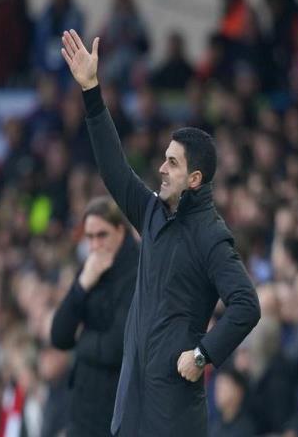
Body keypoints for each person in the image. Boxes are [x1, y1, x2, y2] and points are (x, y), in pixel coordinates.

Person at [60, 29, 261, 436]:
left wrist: (203, 355)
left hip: (173, 414)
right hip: (131, 407)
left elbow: (246, 305)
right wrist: (91, 90)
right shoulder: (153, 213)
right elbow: (114, 170)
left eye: (172, 163)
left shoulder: (211, 236)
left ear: (195, 178)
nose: (161, 169)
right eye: (165, 159)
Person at [51, 196, 139, 437]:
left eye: (102, 235)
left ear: (120, 231)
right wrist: (81, 287)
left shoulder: (138, 273)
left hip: (117, 414)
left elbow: (117, 347)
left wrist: (81, 341)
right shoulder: (90, 270)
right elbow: (59, 336)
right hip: (82, 410)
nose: (95, 245)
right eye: (89, 237)